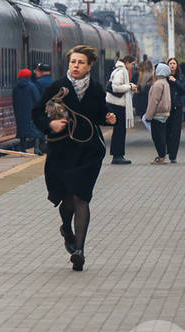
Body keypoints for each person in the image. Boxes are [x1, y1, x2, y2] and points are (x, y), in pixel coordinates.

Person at [31, 45, 117, 272]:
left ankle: (79, 250)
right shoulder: (57, 87)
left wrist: (108, 118)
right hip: (61, 152)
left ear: (89, 66)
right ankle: (66, 229)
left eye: (80, 62)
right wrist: (50, 124)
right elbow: (36, 112)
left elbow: (99, 114)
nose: (76, 66)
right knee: (66, 199)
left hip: (88, 153)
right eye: (73, 62)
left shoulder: (96, 89)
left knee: (81, 198)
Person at [105, 55, 137, 164]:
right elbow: (116, 87)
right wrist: (130, 87)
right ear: (127, 62)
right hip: (117, 105)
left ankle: (118, 155)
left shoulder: (118, 70)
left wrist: (129, 85)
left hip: (116, 104)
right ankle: (117, 156)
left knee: (119, 131)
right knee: (119, 131)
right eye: (132, 64)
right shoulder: (121, 71)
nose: (133, 67)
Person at [144, 62, 172, 165]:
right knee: (162, 135)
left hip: (157, 114)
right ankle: (162, 155)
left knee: (157, 136)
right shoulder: (165, 82)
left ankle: (161, 157)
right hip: (164, 113)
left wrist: (148, 115)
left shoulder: (158, 84)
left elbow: (154, 101)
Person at [13, 68, 44, 154]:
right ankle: (36, 148)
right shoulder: (32, 86)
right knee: (35, 130)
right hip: (31, 112)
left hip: (20, 113)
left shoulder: (16, 88)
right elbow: (37, 99)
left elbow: (14, 101)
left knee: (22, 130)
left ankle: (23, 149)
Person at [165, 57, 185, 163]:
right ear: (167, 65)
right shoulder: (164, 77)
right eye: (170, 63)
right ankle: (167, 150)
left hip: (177, 107)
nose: (172, 65)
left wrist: (175, 81)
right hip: (166, 108)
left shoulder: (181, 77)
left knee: (176, 131)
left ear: (177, 65)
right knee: (167, 131)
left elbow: (184, 89)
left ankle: (173, 155)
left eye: (174, 63)